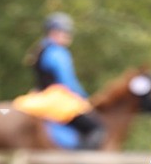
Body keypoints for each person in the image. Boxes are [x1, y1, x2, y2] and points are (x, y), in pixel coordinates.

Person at [29, 12, 105, 149]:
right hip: (58, 98)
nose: (69, 36)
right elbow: (68, 81)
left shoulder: (39, 49)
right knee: (95, 127)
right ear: (54, 32)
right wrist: (85, 98)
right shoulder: (58, 53)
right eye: (65, 32)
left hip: (38, 96)